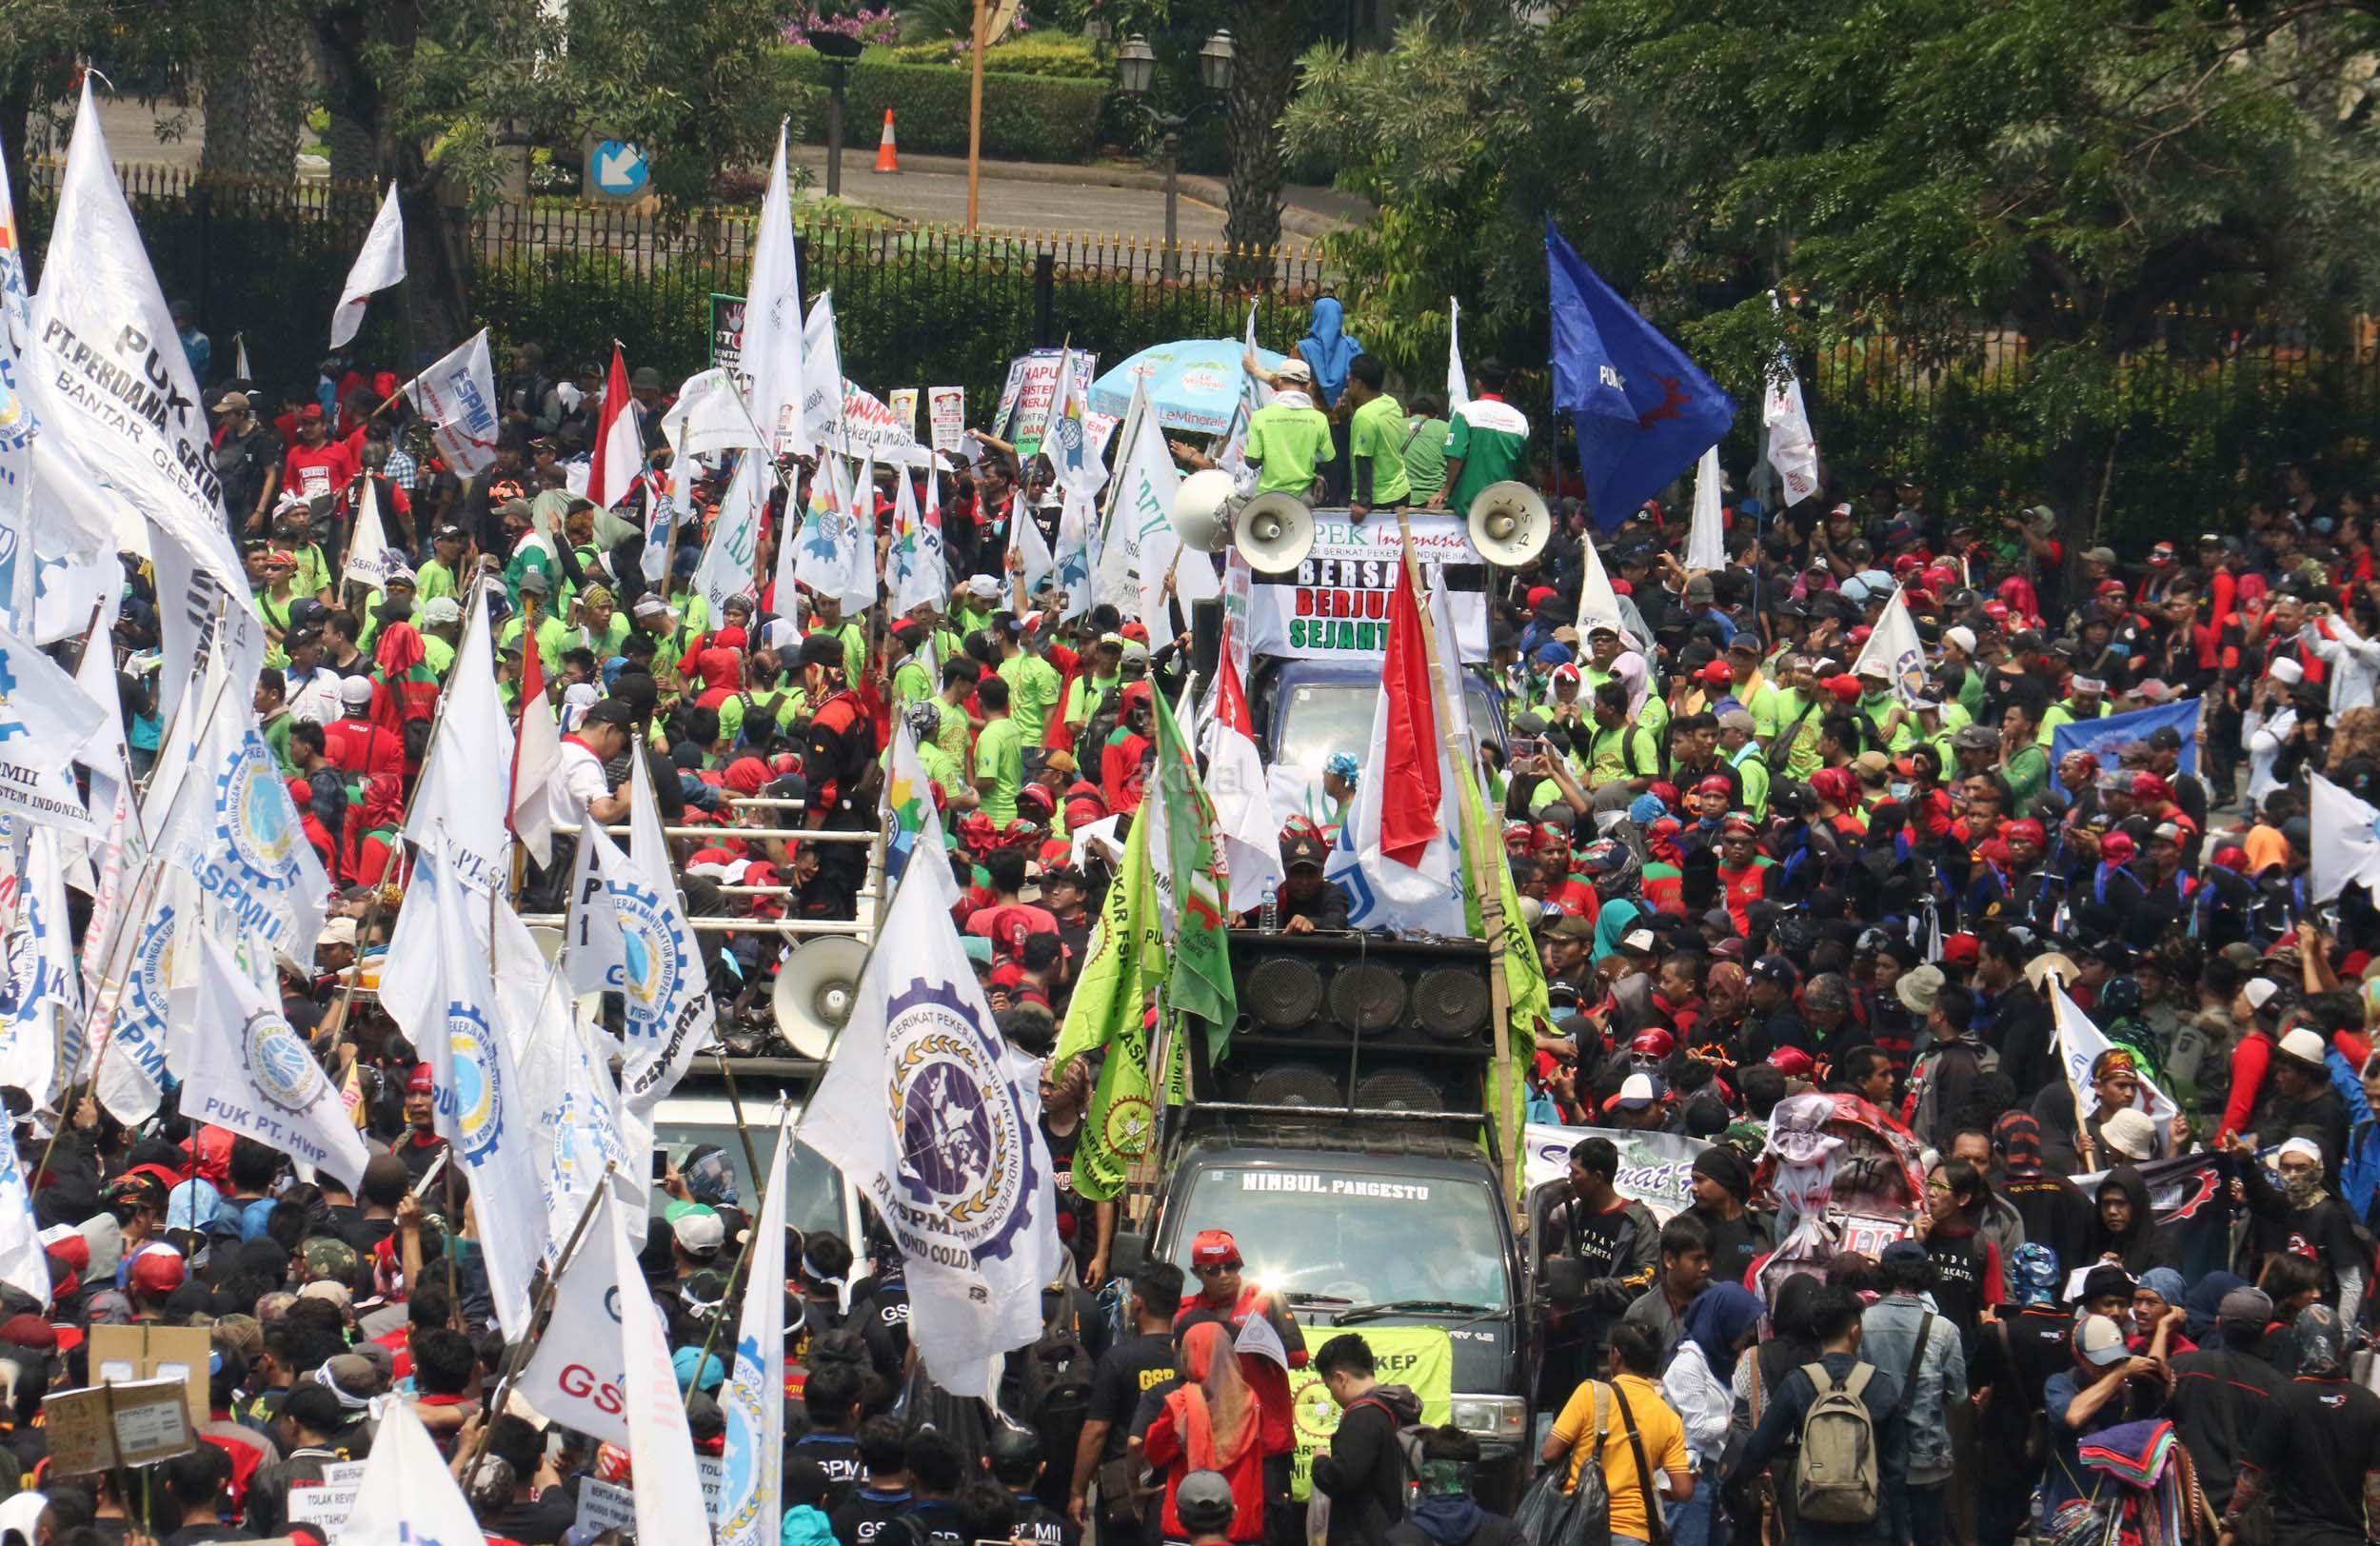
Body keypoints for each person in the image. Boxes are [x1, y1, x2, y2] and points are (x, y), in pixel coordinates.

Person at [1725, 1285, 1907, 1546]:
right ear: (1855, 1331)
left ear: (1816, 1330)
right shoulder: (1880, 1385)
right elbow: (1895, 1470)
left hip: (1813, 1521)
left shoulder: (1798, 1383)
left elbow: (1759, 1447)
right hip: (1870, 1525)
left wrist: (1733, 1486)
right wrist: (1902, 1533)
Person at [2222, 1304, 2380, 1546]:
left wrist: (2229, 1524)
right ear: (2340, 1344)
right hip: (2348, 1538)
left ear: (2299, 1343)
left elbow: (2253, 1476)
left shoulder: (2284, 1398)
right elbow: (2375, 1483)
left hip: (2294, 1536)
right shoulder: (2368, 1403)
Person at [1542, 1320, 1694, 1546]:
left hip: (1579, 1524)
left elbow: (1549, 1453)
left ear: (1616, 1355)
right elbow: (1683, 1490)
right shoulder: (1669, 1417)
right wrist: (1662, 1490)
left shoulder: (1590, 1394)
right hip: (1633, 1531)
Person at [1857, 1241, 1967, 1546]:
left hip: (1874, 1458)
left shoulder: (1861, 1324)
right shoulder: (1944, 1329)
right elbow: (1958, 1396)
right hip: (1926, 1460)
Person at [1072, 1262, 1182, 1537]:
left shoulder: (1117, 1358)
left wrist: (1077, 1491)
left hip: (1123, 1489)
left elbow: (1096, 1430)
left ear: (1137, 1302)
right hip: (1176, 1482)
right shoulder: (1188, 1357)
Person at [1142, 1322, 1266, 1544]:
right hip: (1241, 1523)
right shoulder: (1251, 1401)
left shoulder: (1181, 1403)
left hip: (1187, 1526)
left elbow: (1154, 1452)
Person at [1310, 1333, 1422, 1546]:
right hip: (1391, 1527)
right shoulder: (1392, 1404)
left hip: (1363, 1534)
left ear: (1341, 1378)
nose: (1332, 1395)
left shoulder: (1363, 1417)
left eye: (1329, 1386)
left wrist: (1320, 1461)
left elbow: (1340, 1477)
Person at [1430, 359, 1530, 516]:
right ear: (1505, 384)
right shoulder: (1519, 420)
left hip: (1467, 508)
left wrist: (1445, 490)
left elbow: (1456, 457)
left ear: (1478, 383)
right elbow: (1522, 467)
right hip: (1502, 509)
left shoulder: (1465, 413)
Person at [1242, 359, 1334, 500]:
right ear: (1308, 386)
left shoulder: (1260, 417)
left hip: (1266, 498)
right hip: (1303, 499)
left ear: (1279, 382)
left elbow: (1252, 461)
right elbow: (1327, 459)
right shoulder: (1320, 419)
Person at [1342, 355, 1411, 520]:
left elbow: (1363, 459)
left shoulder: (1364, 416)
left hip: (1378, 499)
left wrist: (1362, 504)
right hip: (1401, 490)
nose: (1347, 383)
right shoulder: (1391, 403)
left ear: (1359, 383)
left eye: (1350, 379)